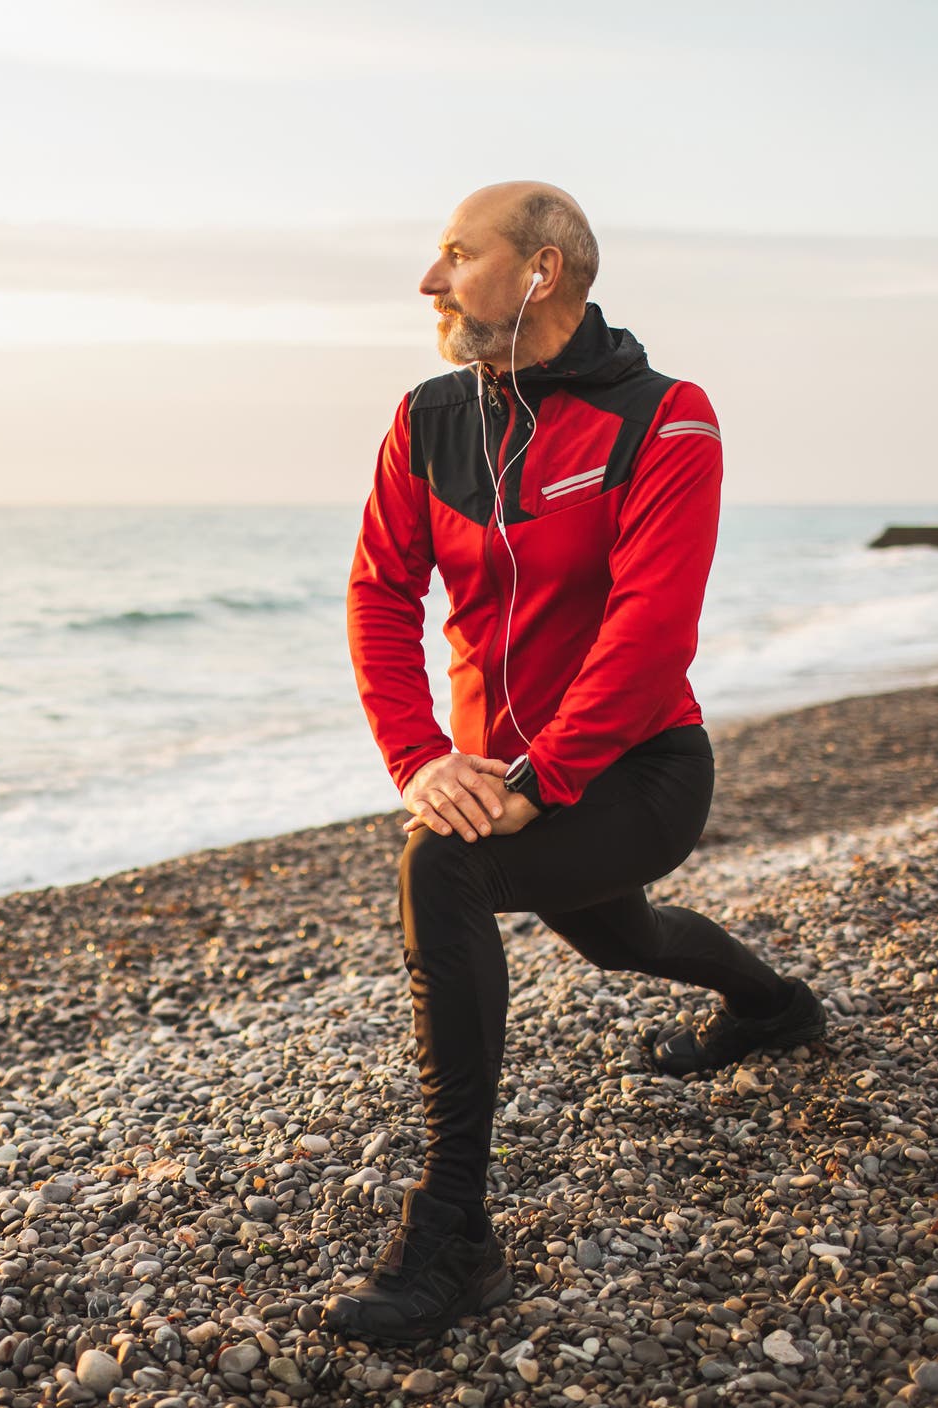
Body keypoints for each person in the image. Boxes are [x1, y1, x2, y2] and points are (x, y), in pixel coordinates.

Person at [322, 182, 828, 1344]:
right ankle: (773, 1006)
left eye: (457, 253)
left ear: (540, 272)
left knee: (440, 871)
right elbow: (379, 593)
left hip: (638, 772)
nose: (429, 280)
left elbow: (651, 630)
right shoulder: (427, 419)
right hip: (509, 781)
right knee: (626, 938)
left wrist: (536, 782)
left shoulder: (667, 418)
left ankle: (455, 1233)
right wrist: (421, 757)